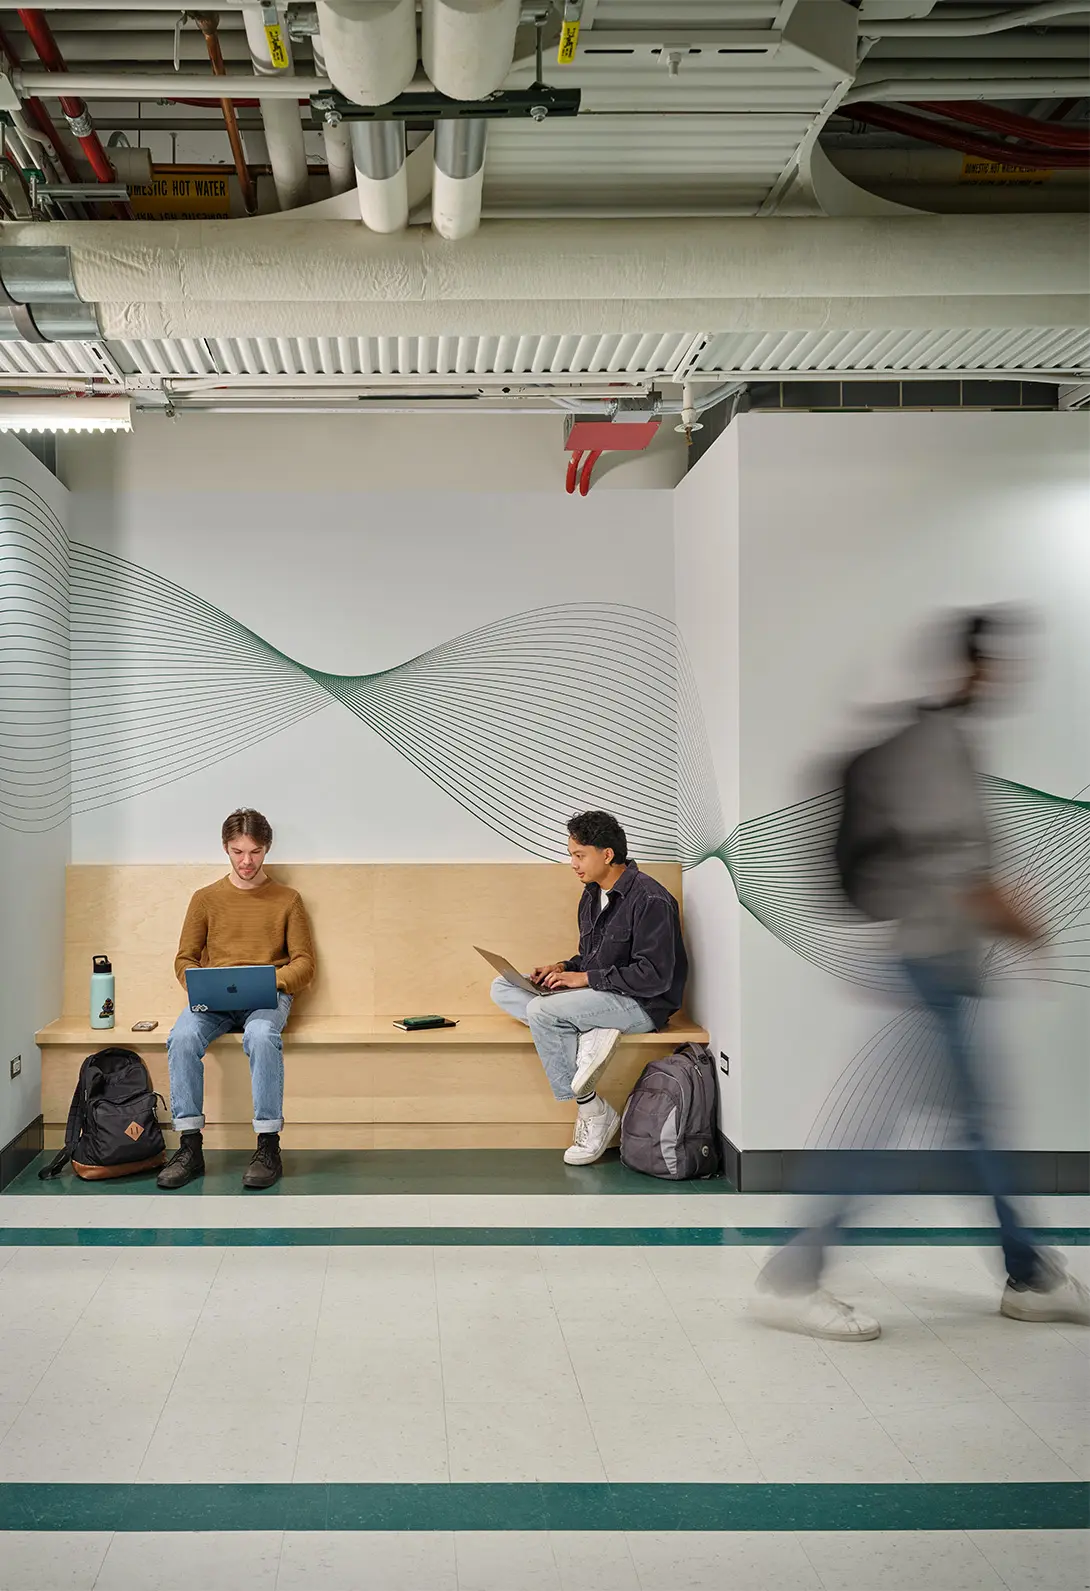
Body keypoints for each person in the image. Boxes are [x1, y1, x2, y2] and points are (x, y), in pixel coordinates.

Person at [755, 611, 1089, 1340]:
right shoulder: (937, 746)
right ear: (973, 666)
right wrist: (1029, 928)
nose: (1010, 677)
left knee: (976, 1133)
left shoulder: (944, 742)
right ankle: (792, 1276)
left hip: (943, 968)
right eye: (999, 663)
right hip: (931, 967)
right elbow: (962, 874)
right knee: (886, 1136)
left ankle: (1032, 1275)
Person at [491, 810, 688, 1165]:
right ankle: (588, 1031)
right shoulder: (592, 894)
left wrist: (584, 980)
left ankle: (593, 1111)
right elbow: (591, 957)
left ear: (607, 854)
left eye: (579, 855)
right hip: (603, 996)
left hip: (642, 1005)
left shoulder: (651, 900)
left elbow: (654, 976)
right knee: (501, 987)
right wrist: (565, 968)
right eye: (572, 855)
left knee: (540, 1010)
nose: (573, 864)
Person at [157, 808, 315, 1191]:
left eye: (255, 852)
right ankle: (190, 1147)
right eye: (238, 851)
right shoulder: (205, 898)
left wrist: (271, 981)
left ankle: (267, 1145)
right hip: (214, 1001)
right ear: (225, 848)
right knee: (181, 1037)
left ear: (267, 849)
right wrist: (197, 983)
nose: (247, 861)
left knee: (261, 1036)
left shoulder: (288, 899)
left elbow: (305, 964)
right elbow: (184, 959)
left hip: (267, 998)